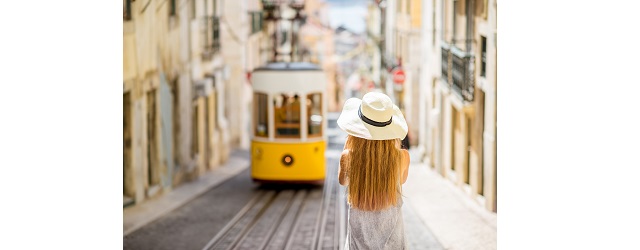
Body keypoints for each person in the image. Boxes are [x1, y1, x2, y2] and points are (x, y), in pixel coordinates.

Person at [337, 91, 410, 249]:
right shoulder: (403, 157)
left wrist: (349, 146)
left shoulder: (348, 157)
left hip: (358, 243)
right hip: (394, 243)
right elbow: (401, 180)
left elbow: (342, 181)